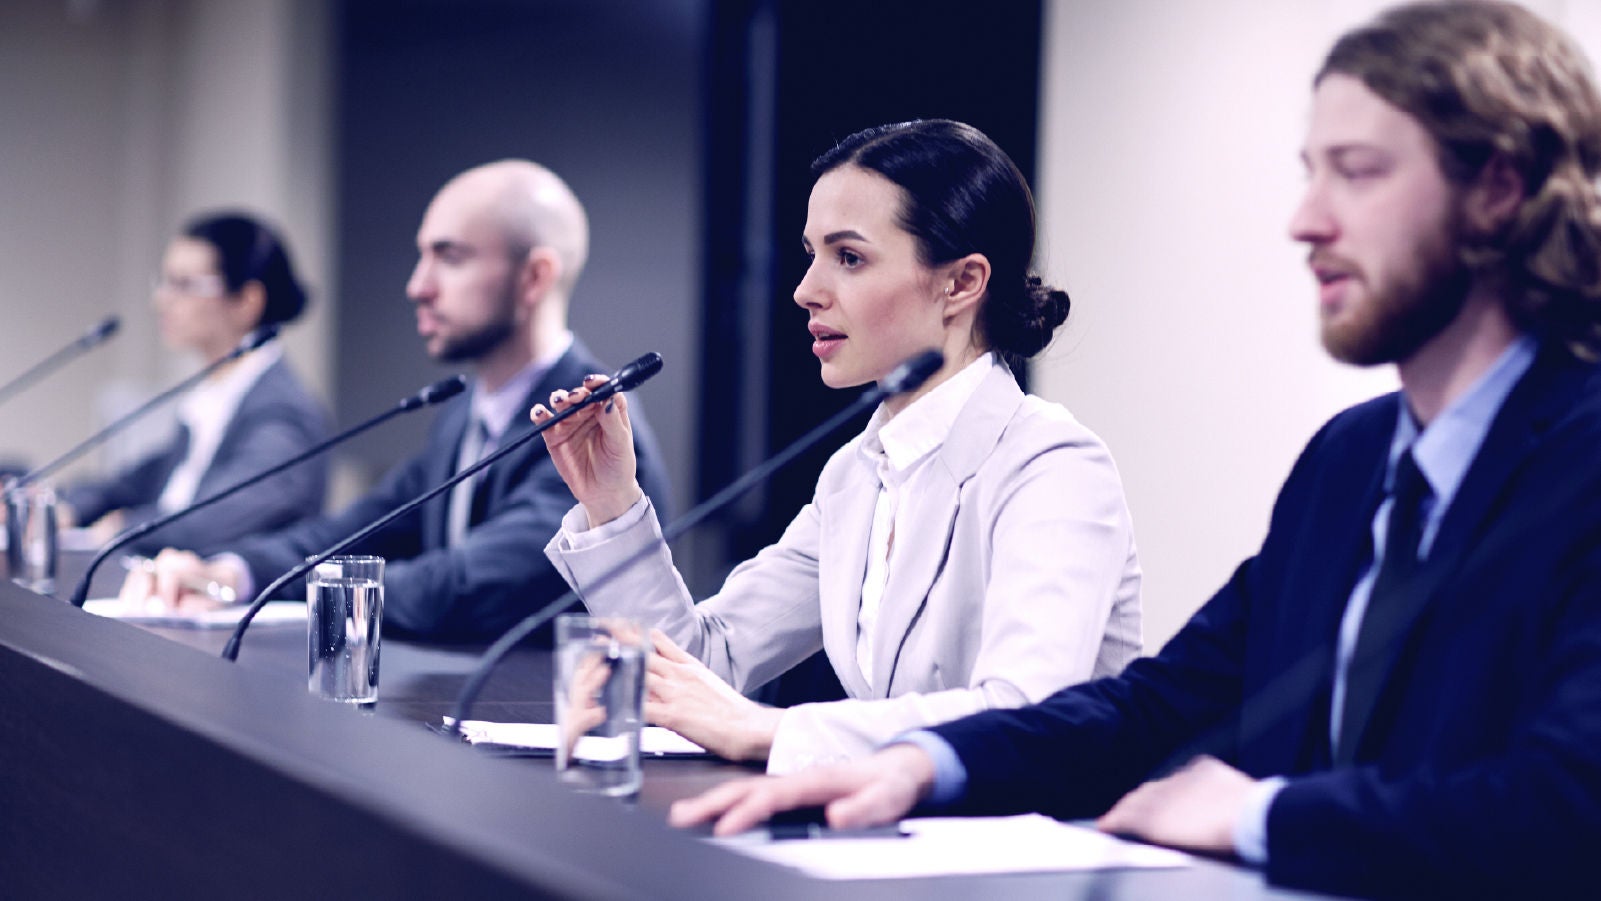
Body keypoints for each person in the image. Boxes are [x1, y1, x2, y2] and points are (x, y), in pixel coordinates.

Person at [669, 3, 1601, 897]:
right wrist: (920, 764)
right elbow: (1155, 703)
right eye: (1309, 172)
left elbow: (1569, 809)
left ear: (1496, 191)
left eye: (1355, 172)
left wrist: (1262, 816)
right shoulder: (1349, 462)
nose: (1304, 220)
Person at [536, 119, 1143, 773]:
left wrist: (775, 731)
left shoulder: (1052, 467)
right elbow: (708, 664)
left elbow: (1023, 711)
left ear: (961, 283)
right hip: (894, 840)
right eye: (810, 253)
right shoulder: (855, 474)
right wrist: (612, 503)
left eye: (848, 257)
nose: (805, 290)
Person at [121, 160, 674, 642]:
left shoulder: (591, 429)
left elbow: (463, 587)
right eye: (421, 257)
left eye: (449, 257)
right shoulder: (463, 415)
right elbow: (360, 527)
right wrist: (233, 571)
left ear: (534, 277)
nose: (418, 286)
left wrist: (299, 586)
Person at [61, 212, 330, 556]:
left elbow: (218, 517)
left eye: (185, 285)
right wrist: (67, 510)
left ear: (247, 301)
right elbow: (137, 482)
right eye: (164, 282)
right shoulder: (214, 392)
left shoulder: (283, 410)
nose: (161, 300)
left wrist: (124, 528)